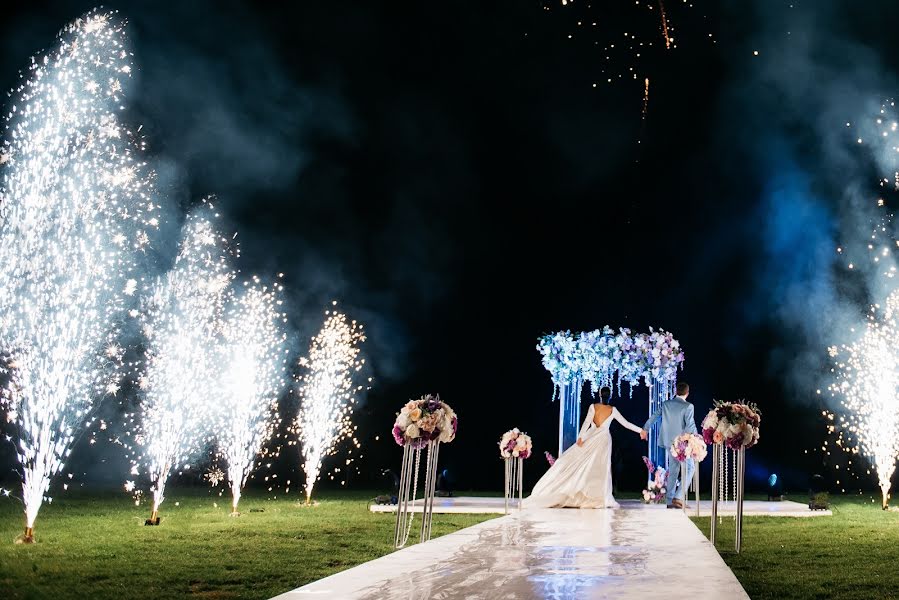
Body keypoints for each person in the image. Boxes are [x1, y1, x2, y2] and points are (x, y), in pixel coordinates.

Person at [523, 386, 643, 508]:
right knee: (600, 468)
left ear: (600, 395)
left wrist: (580, 438)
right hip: (603, 440)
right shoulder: (613, 410)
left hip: (592, 437)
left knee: (587, 465)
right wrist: (641, 431)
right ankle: (597, 496)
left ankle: (587, 494)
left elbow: (586, 422)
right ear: (609, 396)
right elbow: (626, 424)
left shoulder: (593, 407)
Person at [641, 381, 697, 509]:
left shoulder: (666, 404)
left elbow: (655, 416)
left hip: (668, 442)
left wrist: (645, 429)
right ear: (687, 393)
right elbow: (690, 425)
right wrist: (696, 438)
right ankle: (678, 497)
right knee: (690, 468)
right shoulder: (688, 406)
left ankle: (670, 501)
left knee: (673, 470)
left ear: (675, 392)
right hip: (682, 443)